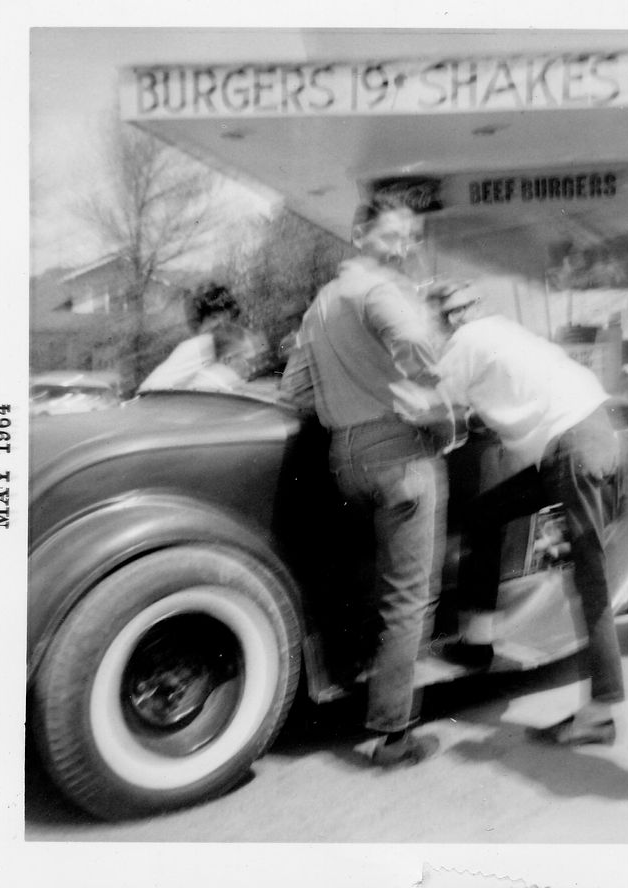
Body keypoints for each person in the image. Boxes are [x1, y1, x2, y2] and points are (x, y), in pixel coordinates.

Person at [281, 198, 449, 768]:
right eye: (391, 236)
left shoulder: (321, 305)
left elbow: (294, 388)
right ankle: (394, 733)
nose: (401, 248)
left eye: (407, 238)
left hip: (343, 459)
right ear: (359, 234)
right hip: (400, 456)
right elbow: (424, 350)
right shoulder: (380, 290)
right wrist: (432, 391)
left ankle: (357, 679)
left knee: (373, 583)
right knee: (409, 595)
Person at [433, 281, 626, 746]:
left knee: (590, 581)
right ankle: (478, 643)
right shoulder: (504, 332)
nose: (455, 317)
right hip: (586, 436)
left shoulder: (467, 341)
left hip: (572, 448)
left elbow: (431, 405)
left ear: (470, 311)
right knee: (485, 515)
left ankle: (600, 711)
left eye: (459, 309)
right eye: (449, 312)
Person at [139, 283, 245, 391]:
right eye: (214, 318)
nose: (221, 324)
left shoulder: (231, 350)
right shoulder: (197, 347)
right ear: (201, 322)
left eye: (228, 320)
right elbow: (149, 389)